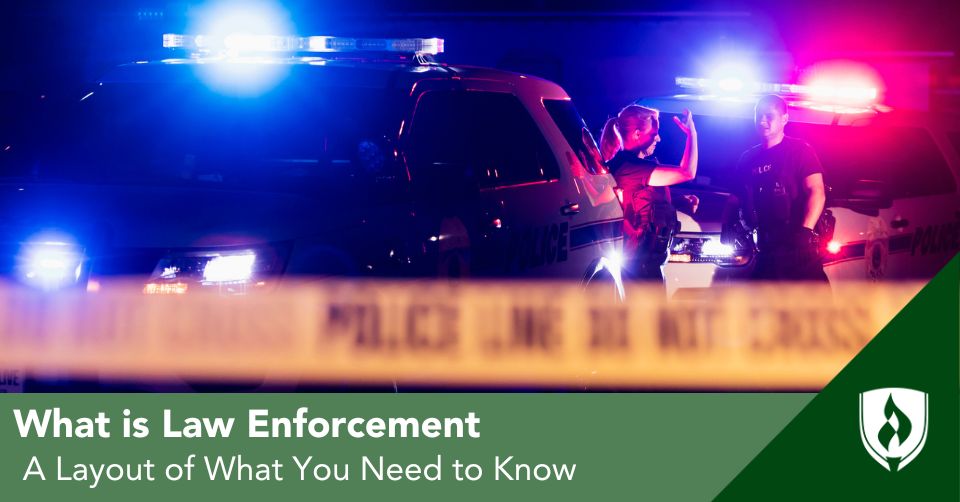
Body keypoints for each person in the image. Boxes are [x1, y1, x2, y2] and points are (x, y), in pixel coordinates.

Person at [735, 94, 829, 281]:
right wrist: (728, 224)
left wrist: (805, 231)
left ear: (784, 119)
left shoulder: (800, 151)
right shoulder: (748, 158)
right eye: (759, 115)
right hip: (766, 246)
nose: (762, 120)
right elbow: (738, 196)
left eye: (769, 115)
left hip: (799, 246)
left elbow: (816, 192)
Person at [599, 104, 698, 281]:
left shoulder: (631, 166)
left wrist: (677, 201)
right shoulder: (630, 168)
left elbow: (640, 198)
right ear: (637, 134)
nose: (658, 138)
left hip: (645, 262)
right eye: (654, 133)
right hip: (638, 266)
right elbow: (687, 172)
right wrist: (692, 134)